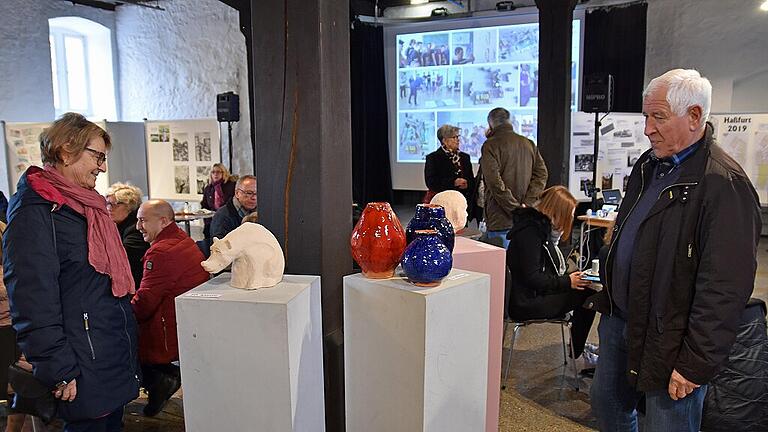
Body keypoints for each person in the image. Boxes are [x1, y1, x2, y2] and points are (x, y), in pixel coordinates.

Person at [588, 69, 761, 432]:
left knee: (669, 425)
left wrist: (694, 363)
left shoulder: (723, 185)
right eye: (646, 116)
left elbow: (724, 289)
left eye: (659, 117)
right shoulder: (649, 165)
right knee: (607, 406)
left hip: (672, 339)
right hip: (621, 320)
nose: (647, 128)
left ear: (695, 116)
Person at [3, 112, 140, 430]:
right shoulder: (37, 212)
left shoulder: (87, 206)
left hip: (107, 353)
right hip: (79, 362)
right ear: (66, 150)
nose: (103, 167)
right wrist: (59, 368)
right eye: (98, 156)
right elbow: (32, 301)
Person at [132, 199, 209, 417]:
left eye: (143, 221)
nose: (138, 227)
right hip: (182, 321)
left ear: (164, 221)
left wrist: (124, 313)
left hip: (165, 327)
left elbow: (145, 303)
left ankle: (162, 379)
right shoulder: (181, 240)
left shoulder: (161, 252)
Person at [505, 186, 595, 359]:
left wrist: (568, 280)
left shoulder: (536, 230)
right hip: (525, 303)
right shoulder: (531, 234)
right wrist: (567, 282)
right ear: (559, 211)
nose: (571, 219)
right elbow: (533, 277)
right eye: (569, 214)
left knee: (585, 290)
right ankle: (577, 350)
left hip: (529, 296)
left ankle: (577, 347)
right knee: (588, 294)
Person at [480, 107, 548, 248]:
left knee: (501, 267)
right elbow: (541, 175)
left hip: (500, 219)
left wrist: (514, 208)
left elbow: (494, 183)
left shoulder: (490, 145)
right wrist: (526, 205)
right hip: (526, 220)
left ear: (491, 124)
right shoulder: (528, 143)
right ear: (509, 121)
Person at [106, 182, 150, 291]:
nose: (109, 208)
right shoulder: (121, 225)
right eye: (107, 204)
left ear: (129, 206)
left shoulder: (136, 228)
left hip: (136, 286)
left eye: (115, 204)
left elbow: (121, 256)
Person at [424, 124, 475, 207]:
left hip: (462, 202)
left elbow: (471, 179)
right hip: (442, 202)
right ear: (444, 140)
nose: (457, 140)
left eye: (458, 137)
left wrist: (468, 184)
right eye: (454, 137)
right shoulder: (433, 158)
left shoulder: (465, 157)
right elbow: (431, 182)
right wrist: (453, 182)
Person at [210, 174, 257, 240]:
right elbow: (219, 247)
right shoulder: (222, 216)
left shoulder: (259, 212)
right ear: (237, 193)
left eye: (257, 193)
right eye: (249, 193)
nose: (254, 197)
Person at [200, 163, 236, 239]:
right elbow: (204, 205)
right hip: (211, 220)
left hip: (228, 219)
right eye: (213, 172)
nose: (215, 174)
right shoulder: (208, 188)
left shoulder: (231, 185)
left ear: (224, 173)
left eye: (218, 172)